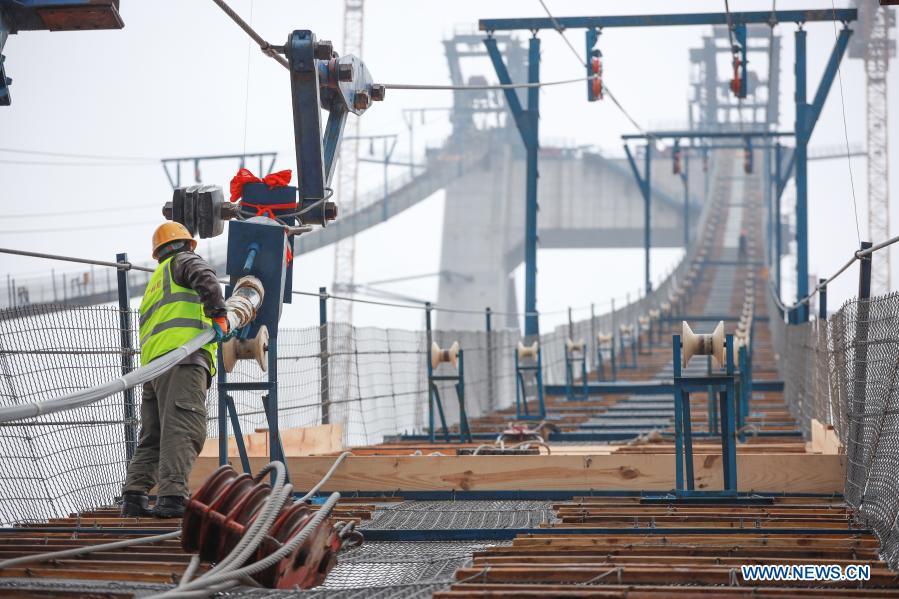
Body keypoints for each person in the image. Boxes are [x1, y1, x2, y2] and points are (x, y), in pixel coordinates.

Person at [120, 222, 230, 518]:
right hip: (184, 361)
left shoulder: (155, 281)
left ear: (158, 252)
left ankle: (133, 496)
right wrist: (219, 316)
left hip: (155, 369)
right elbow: (206, 278)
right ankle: (172, 498)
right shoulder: (185, 261)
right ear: (186, 244)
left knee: (153, 434)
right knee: (184, 427)